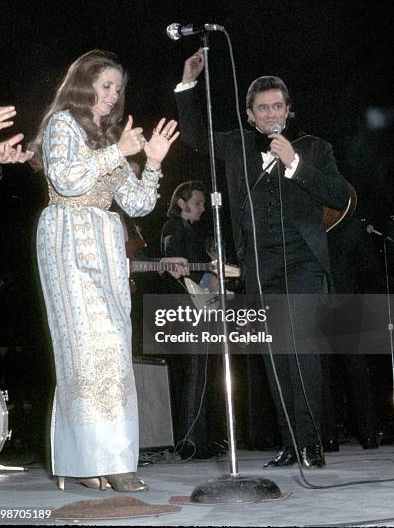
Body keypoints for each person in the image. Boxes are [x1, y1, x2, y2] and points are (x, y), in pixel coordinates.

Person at [174, 49, 349, 468]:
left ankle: (311, 444)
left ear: (288, 111)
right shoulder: (237, 147)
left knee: (303, 355)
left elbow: (339, 196)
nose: (270, 113)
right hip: (260, 267)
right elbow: (196, 135)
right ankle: (290, 444)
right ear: (250, 115)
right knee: (276, 359)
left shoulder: (315, 148)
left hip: (303, 263)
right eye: (262, 108)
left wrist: (295, 163)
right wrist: (188, 83)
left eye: (277, 106)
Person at [28, 49, 178, 492]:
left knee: (110, 349)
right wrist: (117, 153)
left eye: (118, 87)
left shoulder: (108, 137)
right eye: (106, 85)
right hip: (69, 238)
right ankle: (106, 461)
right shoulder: (62, 123)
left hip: (106, 247)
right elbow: (66, 179)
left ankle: (90, 460)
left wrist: (151, 162)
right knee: (88, 350)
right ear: (83, 84)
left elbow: (138, 204)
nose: (113, 95)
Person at [161, 181, 226, 459]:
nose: (202, 208)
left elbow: (200, 276)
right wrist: (205, 283)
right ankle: (189, 442)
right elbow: (174, 267)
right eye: (198, 203)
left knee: (201, 374)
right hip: (184, 308)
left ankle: (202, 438)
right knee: (193, 374)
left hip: (197, 308)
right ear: (181, 203)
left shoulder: (193, 232)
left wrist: (212, 276)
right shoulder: (173, 228)